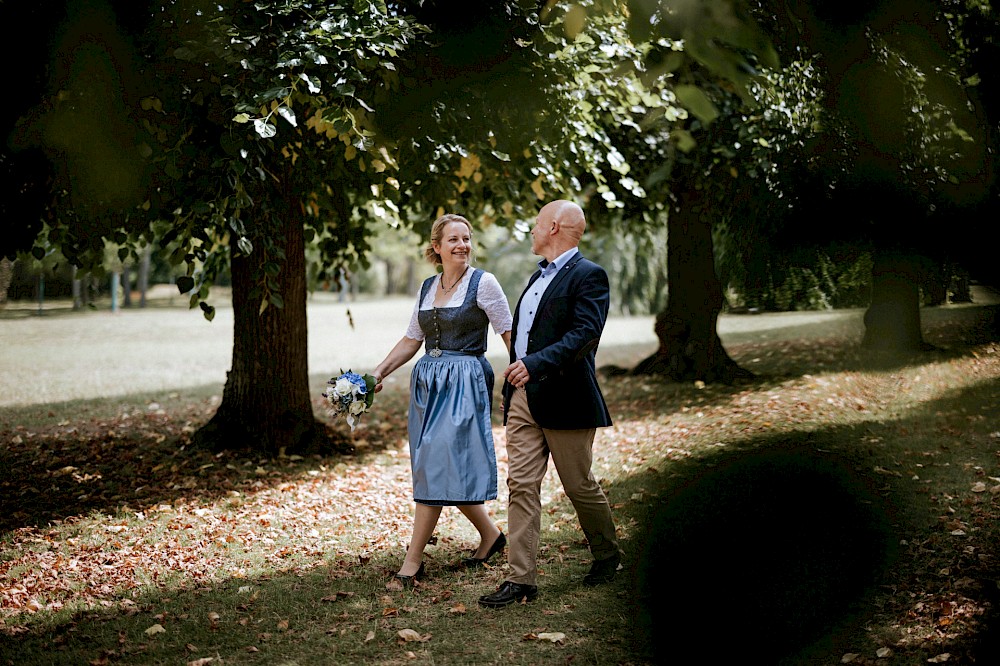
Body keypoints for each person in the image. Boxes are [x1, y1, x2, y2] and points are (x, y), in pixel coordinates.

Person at [479, 200, 621, 608]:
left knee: (578, 485)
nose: (531, 230)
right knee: (521, 484)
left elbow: (583, 335)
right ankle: (520, 579)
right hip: (523, 398)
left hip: (567, 398)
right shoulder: (536, 277)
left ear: (554, 226)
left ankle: (608, 554)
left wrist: (534, 365)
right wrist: (518, 380)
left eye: (536, 224)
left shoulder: (589, 276)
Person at [372, 213, 513, 590]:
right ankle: (492, 536)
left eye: (466, 238)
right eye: (453, 239)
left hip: (464, 380)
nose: (462, 245)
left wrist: (524, 376)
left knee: (437, 460)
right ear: (436, 247)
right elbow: (411, 340)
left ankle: (412, 563)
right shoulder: (428, 286)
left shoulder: (484, 283)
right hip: (428, 385)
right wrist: (377, 374)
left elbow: (509, 334)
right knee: (438, 464)